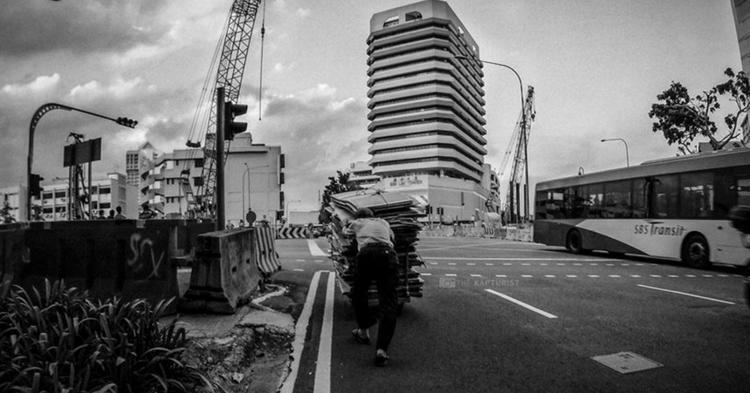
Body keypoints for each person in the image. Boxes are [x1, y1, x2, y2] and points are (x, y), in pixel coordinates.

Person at [343, 207, 398, 367]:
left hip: (367, 255)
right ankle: (382, 350)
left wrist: (346, 225)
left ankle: (364, 330)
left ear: (359, 217)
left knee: (358, 293)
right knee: (389, 302)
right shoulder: (384, 222)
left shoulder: (357, 223)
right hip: (388, 254)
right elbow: (393, 240)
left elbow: (345, 233)